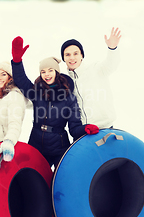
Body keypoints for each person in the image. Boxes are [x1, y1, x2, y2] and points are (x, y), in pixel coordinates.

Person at [11, 36, 100, 168]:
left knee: (61, 178)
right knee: (34, 179)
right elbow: (21, 81)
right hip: (36, 144)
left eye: (50, 70)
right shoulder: (37, 92)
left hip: (59, 147)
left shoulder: (69, 97)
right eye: (43, 72)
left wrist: (84, 129)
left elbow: (74, 128)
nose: (47, 74)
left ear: (56, 72)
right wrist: (17, 61)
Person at [61, 27, 122, 129]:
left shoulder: (96, 69)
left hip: (105, 128)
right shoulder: (65, 81)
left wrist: (112, 48)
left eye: (75, 53)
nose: (72, 58)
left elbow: (112, 64)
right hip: (83, 132)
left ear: (82, 55)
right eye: (67, 55)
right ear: (64, 58)